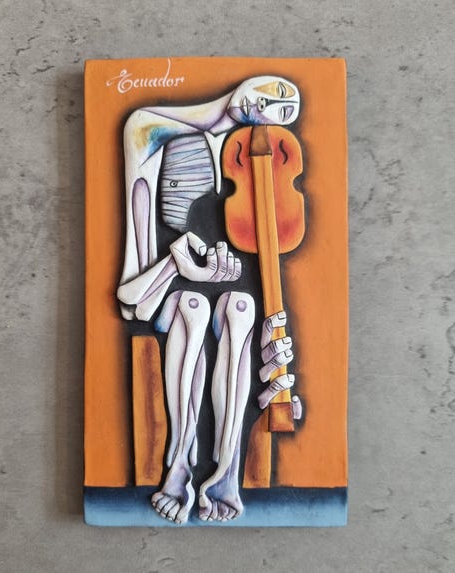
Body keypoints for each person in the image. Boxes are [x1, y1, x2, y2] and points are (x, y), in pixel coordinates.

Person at [117, 76, 302, 524]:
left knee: (240, 309)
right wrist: (178, 266)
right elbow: (131, 298)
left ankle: (225, 472)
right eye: (275, 95)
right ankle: (180, 460)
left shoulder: (253, 156)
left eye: (283, 112)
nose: (267, 107)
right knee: (194, 308)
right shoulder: (149, 129)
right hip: (172, 288)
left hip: (230, 287)